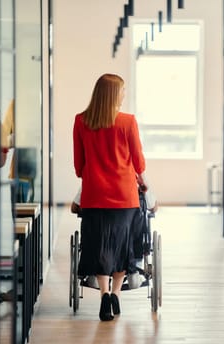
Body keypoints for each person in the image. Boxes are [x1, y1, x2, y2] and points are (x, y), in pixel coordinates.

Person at [73, 73, 147, 321]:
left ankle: (104, 294)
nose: (125, 94)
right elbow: (138, 161)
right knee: (122, 244)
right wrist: (143, 182)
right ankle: (116, 293)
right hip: (124, 196)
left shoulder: (81, 121)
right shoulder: (127, 122)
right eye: (123, 90)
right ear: (115, 95)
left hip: (94, 195)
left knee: (98, 243)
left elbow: (78, 166)